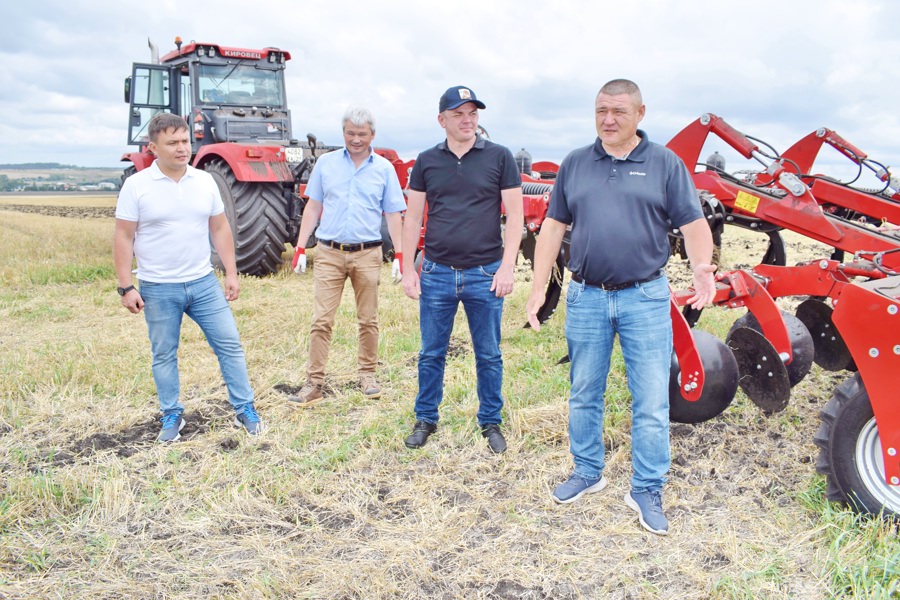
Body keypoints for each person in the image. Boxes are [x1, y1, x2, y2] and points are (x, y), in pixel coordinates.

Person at [526, 79, 716, 535]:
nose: (608, 120)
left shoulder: (665, 164)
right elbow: (552, 228)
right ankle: (587, 472)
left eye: (618, 111)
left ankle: (646, 487)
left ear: (640, 113)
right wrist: (537, 287)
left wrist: (703, 269)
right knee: (584, 392)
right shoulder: (575, 163)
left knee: (650, 399)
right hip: (586, 295)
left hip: (644, 297)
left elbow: (693, 223)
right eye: (600, 111)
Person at [113, 112, 264, 442]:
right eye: (173, 143)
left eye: (185, 141)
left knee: (230, 345)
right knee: (164, 354)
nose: (182, 148)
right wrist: (126, 286)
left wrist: (232, 273)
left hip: (203, 283)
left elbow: (220, 227)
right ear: (153, 147)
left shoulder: (205, 180)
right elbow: (123, 236)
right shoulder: (136, 186)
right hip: (157, 287)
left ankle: (244, 409)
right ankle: (172, 414)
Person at [401, 85, 524, 454]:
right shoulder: (426, 161)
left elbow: (515, 215)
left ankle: (490, 421)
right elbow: (413, 218)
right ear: (442, 120)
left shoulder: (499, 157)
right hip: (436, 272)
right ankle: (426, 418)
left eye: (473, 113)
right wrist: (409, 269)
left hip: (484, 274)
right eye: (459, 114)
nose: (467, 120)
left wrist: (507, 268)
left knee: (488, 353)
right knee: (430, 353)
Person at [287, 106, 406, 406]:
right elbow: (313, 207)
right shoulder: (326, 164)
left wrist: (402, 255)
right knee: (321, 320)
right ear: (343, 133)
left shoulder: (384, 169)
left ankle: (367, 375)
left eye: (362, 134)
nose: (356, 139)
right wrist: (301, 248)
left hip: (368, 254)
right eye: (350, 133)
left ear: (372, 135)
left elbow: (393, 213)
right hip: (329, 253)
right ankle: (314, 382)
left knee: (368, 319)